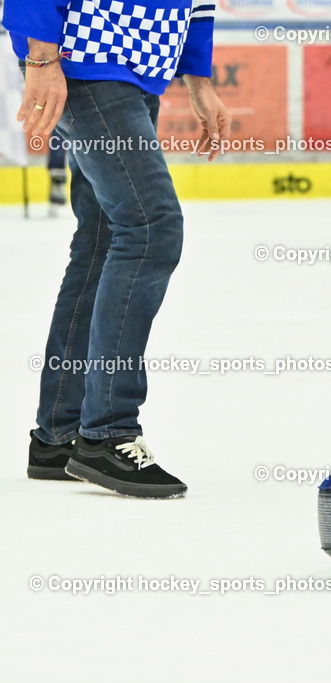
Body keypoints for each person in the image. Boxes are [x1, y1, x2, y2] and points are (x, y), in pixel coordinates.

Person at [5, 0, 230, 497]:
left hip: (135, 69)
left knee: (104, 238)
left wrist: (198, 77)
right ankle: (107, 432)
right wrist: (41, 59)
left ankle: (59, 431)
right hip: (82, 60)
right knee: (151, 228)